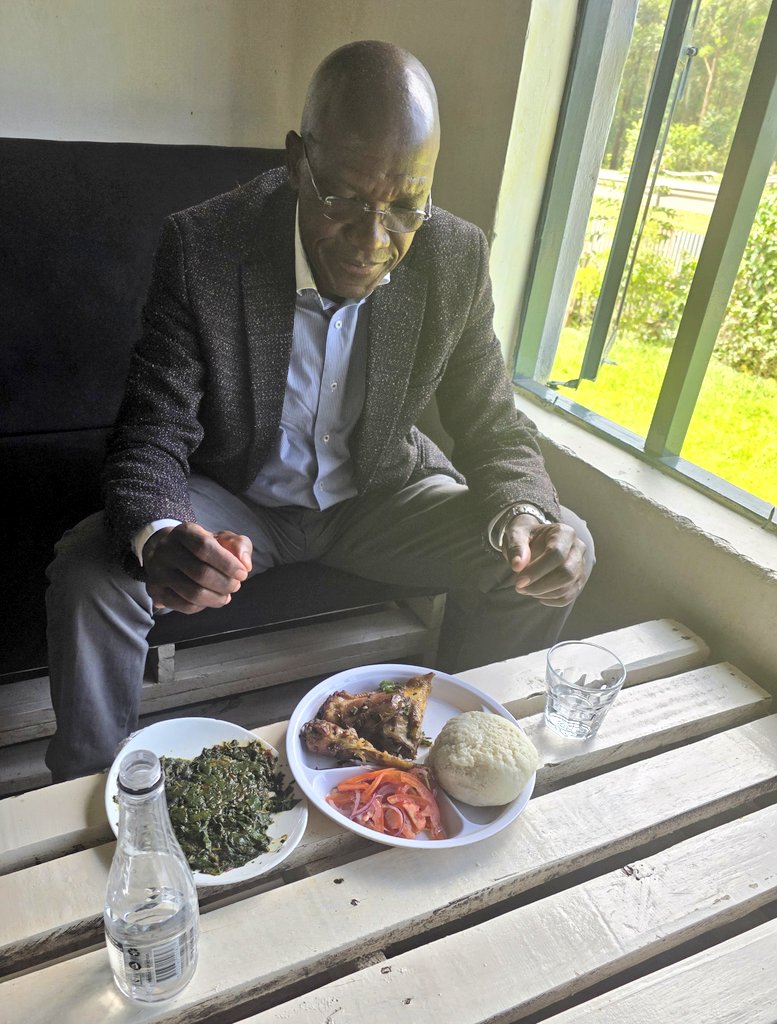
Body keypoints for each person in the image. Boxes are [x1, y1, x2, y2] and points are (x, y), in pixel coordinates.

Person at [45, 40, 594, 782]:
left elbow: (491, 423)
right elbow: (152, 429)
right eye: (343, 201)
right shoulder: (205, 245)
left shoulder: (454, 256)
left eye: (405, 206)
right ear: (299, 161)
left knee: (544, 550)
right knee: (92, 570)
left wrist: (529, 513)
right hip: (238, 502)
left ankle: (456, 755)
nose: (374, 241)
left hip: (381, 497)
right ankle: (93, 793)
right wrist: (163, 533)